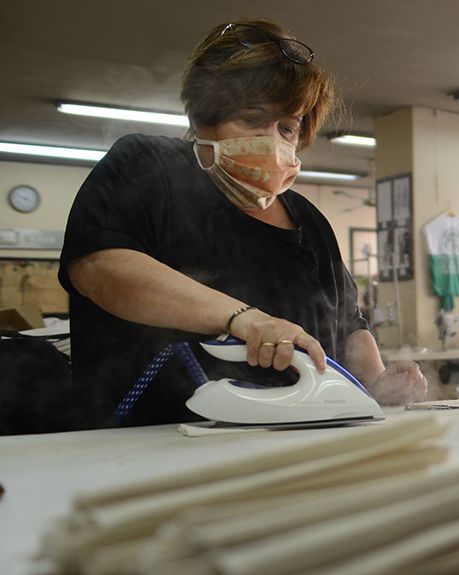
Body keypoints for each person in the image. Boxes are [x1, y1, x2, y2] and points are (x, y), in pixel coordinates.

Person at [58, 18, 426, 428]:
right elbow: (99, 268)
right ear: (203, 118)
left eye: (287, 127)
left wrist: (375, 383)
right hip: (145, 444)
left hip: (296, 446)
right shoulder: (147, 167)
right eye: (253, 119)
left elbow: (347, 324)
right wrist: (245, 319)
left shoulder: (309, 220)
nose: (272, 142)